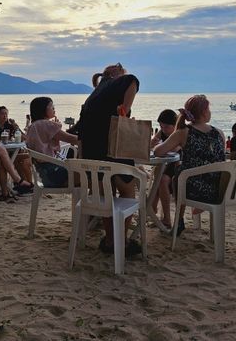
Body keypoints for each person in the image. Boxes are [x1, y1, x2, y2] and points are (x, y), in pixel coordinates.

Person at [76, 62, 141, 256]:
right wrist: (126, 110)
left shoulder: (93, 97)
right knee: (128, 189)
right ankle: (122, 240)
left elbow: (80, 132)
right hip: (113, 149)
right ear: (118, 75)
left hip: (92, 155)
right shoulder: (124, 81)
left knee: (105, 192)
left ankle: (111, 240)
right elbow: (132, 81)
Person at [153, 95, 226, 236]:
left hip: (194, 190)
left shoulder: (184, 132)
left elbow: (158, 151)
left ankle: (179, 220)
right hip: (219, 189)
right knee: (180, 173)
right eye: (209, 109)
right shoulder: (219, 133)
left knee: (178, 174)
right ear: (204, 112)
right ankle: (193, 213)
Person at [26, 97, 79, 188]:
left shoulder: (33, 126)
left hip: (45, 176)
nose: (54, 108)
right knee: (90, 172)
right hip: (55, 174)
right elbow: (72, 139)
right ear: (43, 109)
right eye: (51, 106)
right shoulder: (46, 124)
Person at [0, 106, 33, 193]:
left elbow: (24, 138)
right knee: (14, 161)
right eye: (2, 113)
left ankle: (26, 185)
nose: (5, 116)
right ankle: (23, 184)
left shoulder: (10, 126)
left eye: (6, 114)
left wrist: (16, 127)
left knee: (19, 160)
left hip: (11, 151)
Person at [149, 109, 180, 229]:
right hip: (166, 163)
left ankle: (161, 215)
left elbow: (176, 149)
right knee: (158, 177)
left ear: (174, 126)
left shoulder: (178, 133)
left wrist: (160, 147)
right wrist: (152, 143)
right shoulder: (162, 132)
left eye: (166, 126)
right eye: (161, 126)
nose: (163, 129)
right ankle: (153, 211)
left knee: (161, 180)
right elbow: (153, 145)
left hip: (177, 164)